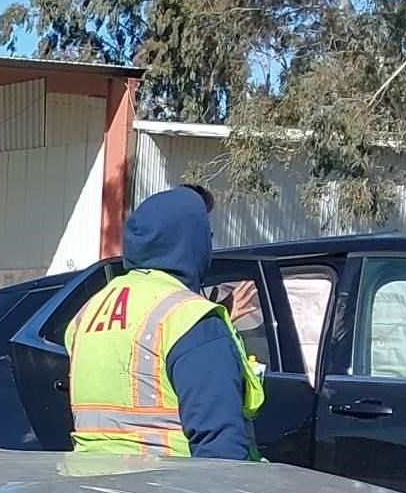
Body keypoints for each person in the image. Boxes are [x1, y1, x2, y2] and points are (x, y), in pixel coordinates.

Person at [63, 185, 263, 460]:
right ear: (191, 241)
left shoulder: (88, 313)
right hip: (168, 491)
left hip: (93, 488)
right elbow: (220, 445)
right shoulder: (190, 318)